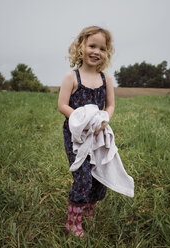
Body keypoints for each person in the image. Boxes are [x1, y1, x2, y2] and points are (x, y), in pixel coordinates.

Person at [58, 26, 115, 238]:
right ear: (81, 46)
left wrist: (103, 119)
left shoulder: (106, 79)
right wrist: (82, 119)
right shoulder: (71, 77)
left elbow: (110, 106)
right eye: (92, 46)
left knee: (100, 176)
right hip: (77, 135)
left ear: (106, 53)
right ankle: (73, 222)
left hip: (99, 134)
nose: (96, 51)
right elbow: (62, 105)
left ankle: (88, 210)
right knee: (82, 176)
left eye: (102, 48)